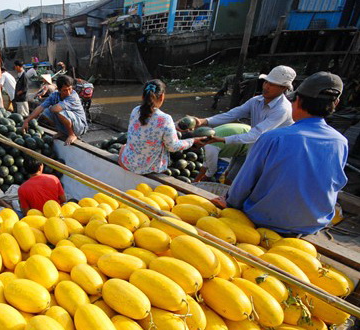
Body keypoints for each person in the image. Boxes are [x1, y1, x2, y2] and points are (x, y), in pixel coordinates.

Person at [226, 72, 347, 235]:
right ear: (336, 103)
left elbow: (242, 185)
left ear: (297, 101)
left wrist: (230, 204)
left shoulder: (272, 138)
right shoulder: (341, 142)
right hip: (311, 225)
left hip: (264, 221)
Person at [192, 65, 297, 147]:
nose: (266, 87)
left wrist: (222, 139)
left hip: (274, 151)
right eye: (266, 82)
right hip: (255, 145)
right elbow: (232, 114)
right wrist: (204, 121)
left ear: (283, 88)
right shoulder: (256, 101)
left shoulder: (282, 109)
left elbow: (256, 134)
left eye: (272, 85)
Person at [119, 79, 207, 174]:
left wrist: (174, 126)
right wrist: (193, 140)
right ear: (162, 96)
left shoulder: (135, 110)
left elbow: (148, 127)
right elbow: (172, 147)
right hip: (149, 168)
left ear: (143, 96)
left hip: (127, 163)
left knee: (123, 147)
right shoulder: (165, 119)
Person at [22, 75, 87, 145]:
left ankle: (72, 134)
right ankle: (62, 132)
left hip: (80, 126)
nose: (68, 92)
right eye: (65, 90)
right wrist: (27, 121)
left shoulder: (73, 96)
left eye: (70, 89)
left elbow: (56, 109)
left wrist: (51, 108)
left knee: (59, 111)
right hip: (67, 124)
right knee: (45, 112)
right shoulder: (54, 95)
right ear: (59, 90)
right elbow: (40, 107)